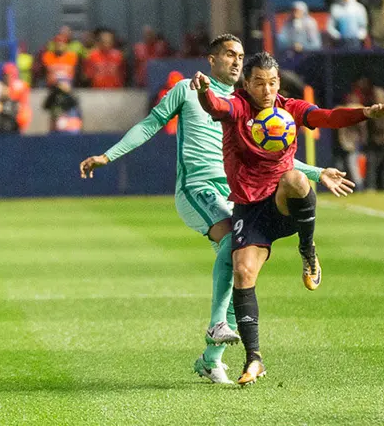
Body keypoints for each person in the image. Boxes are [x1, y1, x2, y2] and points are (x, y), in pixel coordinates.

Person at [78, 35, 353, 385]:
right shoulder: (188, 90)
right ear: (211, 59)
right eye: (229, 55)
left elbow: (277, 157)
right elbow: (150, 125)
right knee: (229, 248)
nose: (236, 62)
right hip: (198, 189)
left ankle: (211, 357)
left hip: (235, 194)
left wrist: (317, 172)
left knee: (242, 268)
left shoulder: (250, 105)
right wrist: (108, 155)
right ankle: (217, 325)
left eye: (240, 56)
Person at [191, 51, 384, 386]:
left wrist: (366, 112)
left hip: (282, 204)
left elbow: (329, 117)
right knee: (243, 272)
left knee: (297, 179)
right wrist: (203, 93)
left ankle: (308, 251)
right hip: (250, 209)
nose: (267, 89)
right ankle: (254, 359)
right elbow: (216, 107)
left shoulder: (290, 108)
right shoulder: (238, 107)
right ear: (247, 83)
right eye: (259, 82)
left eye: (272, 83)